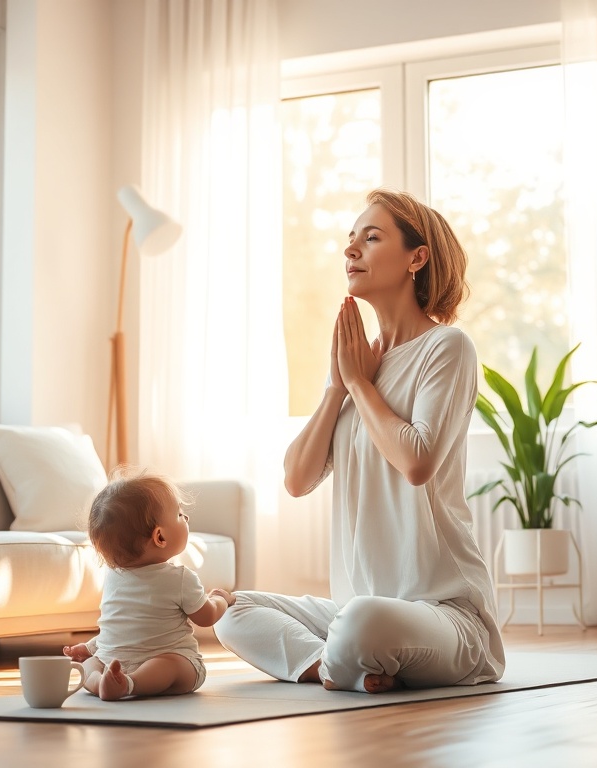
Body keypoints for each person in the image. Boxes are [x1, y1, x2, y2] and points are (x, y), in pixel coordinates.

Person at [214, 188, 505, 694]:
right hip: (355, 611)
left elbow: (416, 462)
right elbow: (297, 480)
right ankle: (345, 665)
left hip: (446, 616)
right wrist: (335, 387)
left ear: (417, 258)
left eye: (371, 238)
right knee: (229, 612)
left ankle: (344, 660)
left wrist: (359, 386)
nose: (351, 250)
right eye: (350, 239)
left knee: (364, 622)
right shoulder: (358, 365)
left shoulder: (447, 347)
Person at [63, 471, 234, 701]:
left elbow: (120, 627)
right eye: (180, 514)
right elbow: (206, 616)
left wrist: (93, 647)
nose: (186, 519)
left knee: (94, 663)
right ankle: (130, 684)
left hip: (115, 661)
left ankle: (97, 680)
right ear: (160, 538)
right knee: (172, 665)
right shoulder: (180, 578)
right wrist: (222, 599)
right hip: (159, 660)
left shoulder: (114, 577)